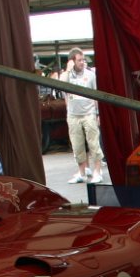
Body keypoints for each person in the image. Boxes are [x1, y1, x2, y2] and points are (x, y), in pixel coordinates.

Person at [59, 48, 103, 184]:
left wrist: (98, 113)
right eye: (79, 60)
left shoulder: (90, 75)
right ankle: (82, 172)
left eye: (83, 60)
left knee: (93, 143)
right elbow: (61, 85)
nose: (82, 62)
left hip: (89, 113)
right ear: (72, 61)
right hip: (73, 115)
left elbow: (97, 95)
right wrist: (68, 70)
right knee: (77, 145)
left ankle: (97, 171)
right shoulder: (67, 76)